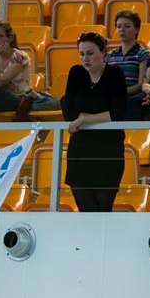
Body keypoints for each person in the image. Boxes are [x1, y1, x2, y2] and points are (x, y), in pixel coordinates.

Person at [62, 32, 128, 212]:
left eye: (90, 53)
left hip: (108, 149)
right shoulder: (76, 73)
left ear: (103, 52)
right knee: (86, 211)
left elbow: (118, 113)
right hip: (80, 150)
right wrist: (96, 115)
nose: (85, 58)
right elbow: (69, 112)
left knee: (103, 211)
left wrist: (84, 118)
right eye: (82, 54)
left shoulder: (115, 73)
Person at [105, 11, 150, 96]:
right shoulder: (110, 55)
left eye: (127, 26)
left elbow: (141, 85)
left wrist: (119, 93)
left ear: (137, 29)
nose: (122, 30)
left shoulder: (143, 54)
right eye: (119, 26)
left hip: (130, 97)